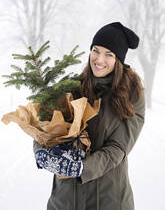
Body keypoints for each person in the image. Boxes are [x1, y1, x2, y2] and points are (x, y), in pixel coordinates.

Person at [33, 22, 145, 210]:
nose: (99, 60)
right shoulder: (72, 89)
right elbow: (45, 127)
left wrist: (82, 168)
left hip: (109, 200)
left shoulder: (132, 95)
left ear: (118, 59)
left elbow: (118, 148)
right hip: (65, 200)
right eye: (95, 50)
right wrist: (40, 152)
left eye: (108, 54)